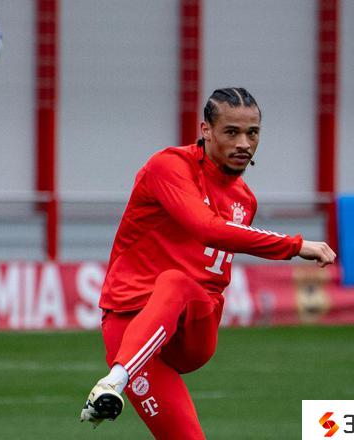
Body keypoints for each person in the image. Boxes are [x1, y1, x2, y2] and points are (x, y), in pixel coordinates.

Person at [79, 87, 336, 439]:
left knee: (179, 284)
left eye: (253, 133)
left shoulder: (244, 199)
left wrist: (291, 245)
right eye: (232, 132)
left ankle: (113, 381)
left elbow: (215, 256)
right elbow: (205, 227)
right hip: (129, 326)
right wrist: (295, 245)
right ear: (206, 130)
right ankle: (113, 385)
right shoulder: (168, 166)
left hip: (193, 328)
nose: (244, 143)